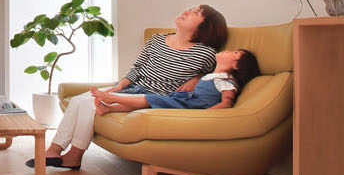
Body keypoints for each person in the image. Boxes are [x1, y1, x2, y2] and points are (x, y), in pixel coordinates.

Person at [31, 6, 228, 171]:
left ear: (205, 26)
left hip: (154, 97)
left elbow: (215, 74)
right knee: (78, 100)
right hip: (132, 87)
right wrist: (118, 87)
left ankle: (74, 156)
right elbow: (137, 68)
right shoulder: (157, 40)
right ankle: (54, 150)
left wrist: (197, 77)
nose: (187, 11)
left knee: (91, 105)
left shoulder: (205, 53)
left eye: (195, 13)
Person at [93, 46, 260, 115]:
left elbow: (227, 103)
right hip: (185, 100)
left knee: (148, 100)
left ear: (236, 65)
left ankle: (112, 98)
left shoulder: (227, 82)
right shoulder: (212, 76)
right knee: (149, 102)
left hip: (193, 106)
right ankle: (108, 109)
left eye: (235, 53)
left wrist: (205, 116)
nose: (229, 50)